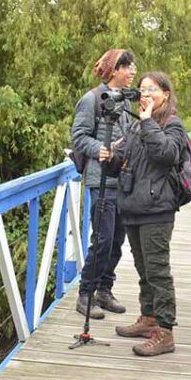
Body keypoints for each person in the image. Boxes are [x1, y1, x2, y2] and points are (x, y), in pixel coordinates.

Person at [110, 72, 187, 356]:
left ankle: (165, 333)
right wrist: (111, 157)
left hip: (157, 209)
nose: (145, 94)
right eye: (141, 89)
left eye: (152, 89)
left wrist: (147, 123)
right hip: (133, 205)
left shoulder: (172, 125)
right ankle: (149, 318)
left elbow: (166, 155)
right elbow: (124, 162)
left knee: (158, 272)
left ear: (165, 94)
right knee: (143, 270)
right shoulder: (134, 126)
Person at [70, 48, 136, 319]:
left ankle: (104, 291)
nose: (132, 72)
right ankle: (85, 293)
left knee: (117, 239)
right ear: (114, 70)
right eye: (128, 67)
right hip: (100, 180)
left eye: (133, 67)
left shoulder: (126, 102)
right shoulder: (92, 99)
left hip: (122, 178)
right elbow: (79, 136)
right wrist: (100, 149)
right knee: (103, 238)